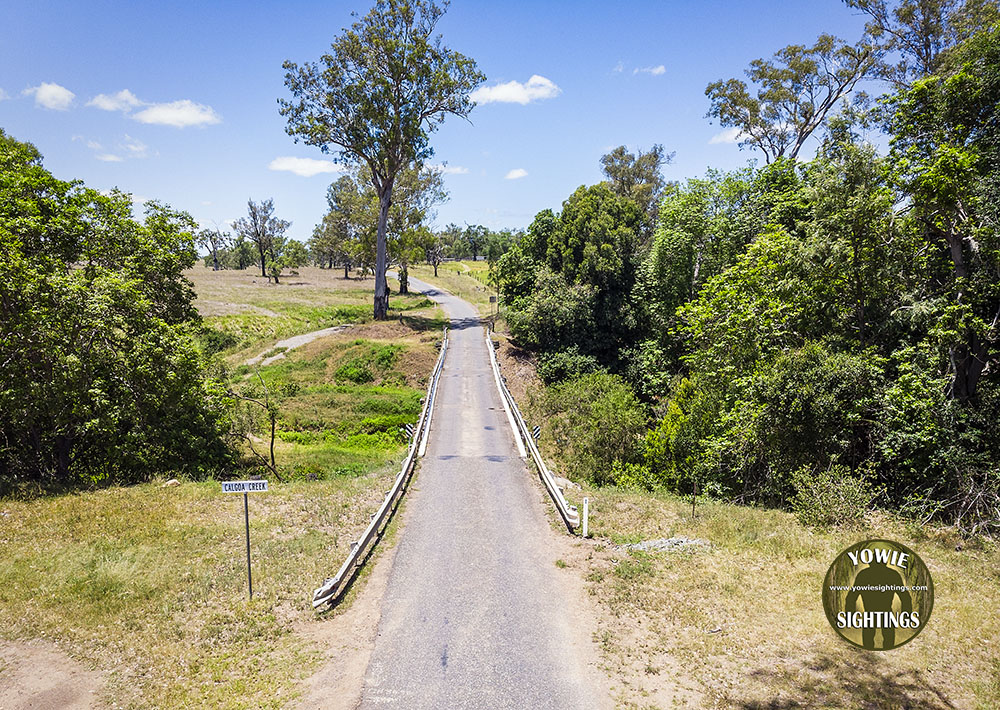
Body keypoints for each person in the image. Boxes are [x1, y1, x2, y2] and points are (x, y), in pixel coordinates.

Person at [844, 557, 913, 649]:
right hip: (886, 612)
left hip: (870, 612)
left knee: (868, 643)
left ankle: (869, 657)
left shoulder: (864, 575)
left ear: (870, 563)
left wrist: (850, 615)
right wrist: (907, 614)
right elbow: (905, 597)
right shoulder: (892, 575)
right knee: (888, 641)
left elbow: (851, 597)